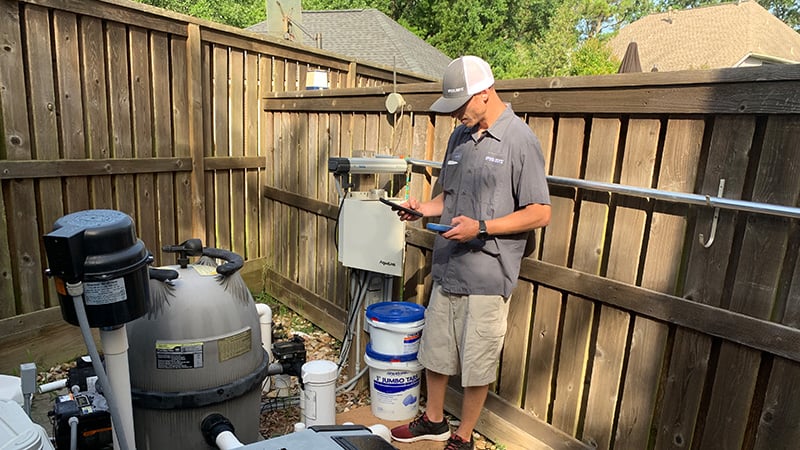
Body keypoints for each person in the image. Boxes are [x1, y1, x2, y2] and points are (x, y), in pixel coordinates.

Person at [389, 55, 551, 450]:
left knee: (477, 362)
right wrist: (421, 210)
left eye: (460, 106)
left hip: (486, 274)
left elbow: (540, 212)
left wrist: (481, 227)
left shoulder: (519, 140)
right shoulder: (459, 137)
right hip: (447, 266)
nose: (455, 115)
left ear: (484, 94)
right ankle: (434, 421)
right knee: (436, 351)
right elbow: (447, 195)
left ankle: (463, 436)